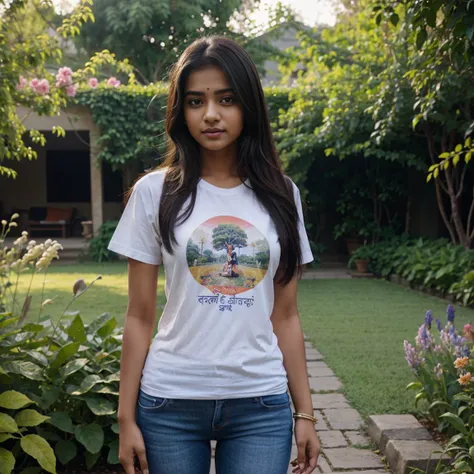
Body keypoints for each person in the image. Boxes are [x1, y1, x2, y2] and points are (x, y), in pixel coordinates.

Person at [108, 35, 320, 474]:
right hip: (170, 402)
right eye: (195, 101)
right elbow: (139, 316)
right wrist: (126, 418)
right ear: (180, 111)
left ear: (248, 106)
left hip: (260, 404)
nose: (210, 114)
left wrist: (305, 414)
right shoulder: (154, 192)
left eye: (226, 99)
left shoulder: (282, 195)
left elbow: (286, 315)